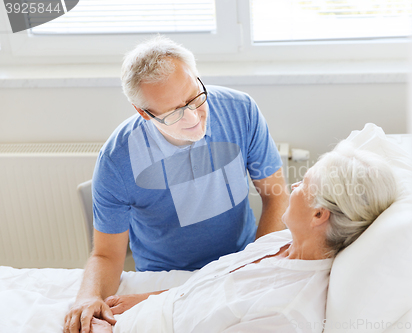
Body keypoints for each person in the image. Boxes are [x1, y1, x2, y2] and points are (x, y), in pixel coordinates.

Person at [64, 36, 289, 333]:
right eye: (174, 113)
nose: (195, 117)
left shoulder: (241, 111)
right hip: (164, 276)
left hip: (239, 262)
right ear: (144, 113)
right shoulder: (117, 159)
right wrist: (88, 296)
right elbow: (106, 254)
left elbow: (276, 197)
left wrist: (255, 262)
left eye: (195, 97)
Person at [87, 140, 398, 333]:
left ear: (319, 215)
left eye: (304, 183)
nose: (293, 188)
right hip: (151, 311)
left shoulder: (286, 313)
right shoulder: (281, 243)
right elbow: (213, 286)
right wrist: (148, 299)